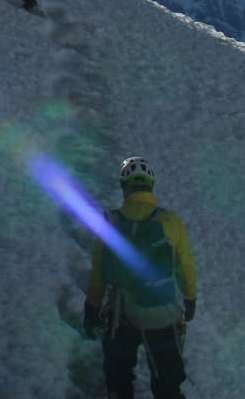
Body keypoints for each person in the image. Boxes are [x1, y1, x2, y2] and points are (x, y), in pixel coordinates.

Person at [82, 156, 198, 399]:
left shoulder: (110, 222)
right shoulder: (170, 221)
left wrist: (91, 310)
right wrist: (190, 298)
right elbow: (185, 265)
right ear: (150, 186)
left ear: (125, 187)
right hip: (162, 311)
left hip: (120, 315)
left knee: (119, 379)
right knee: (167, 384)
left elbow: (98, 275)